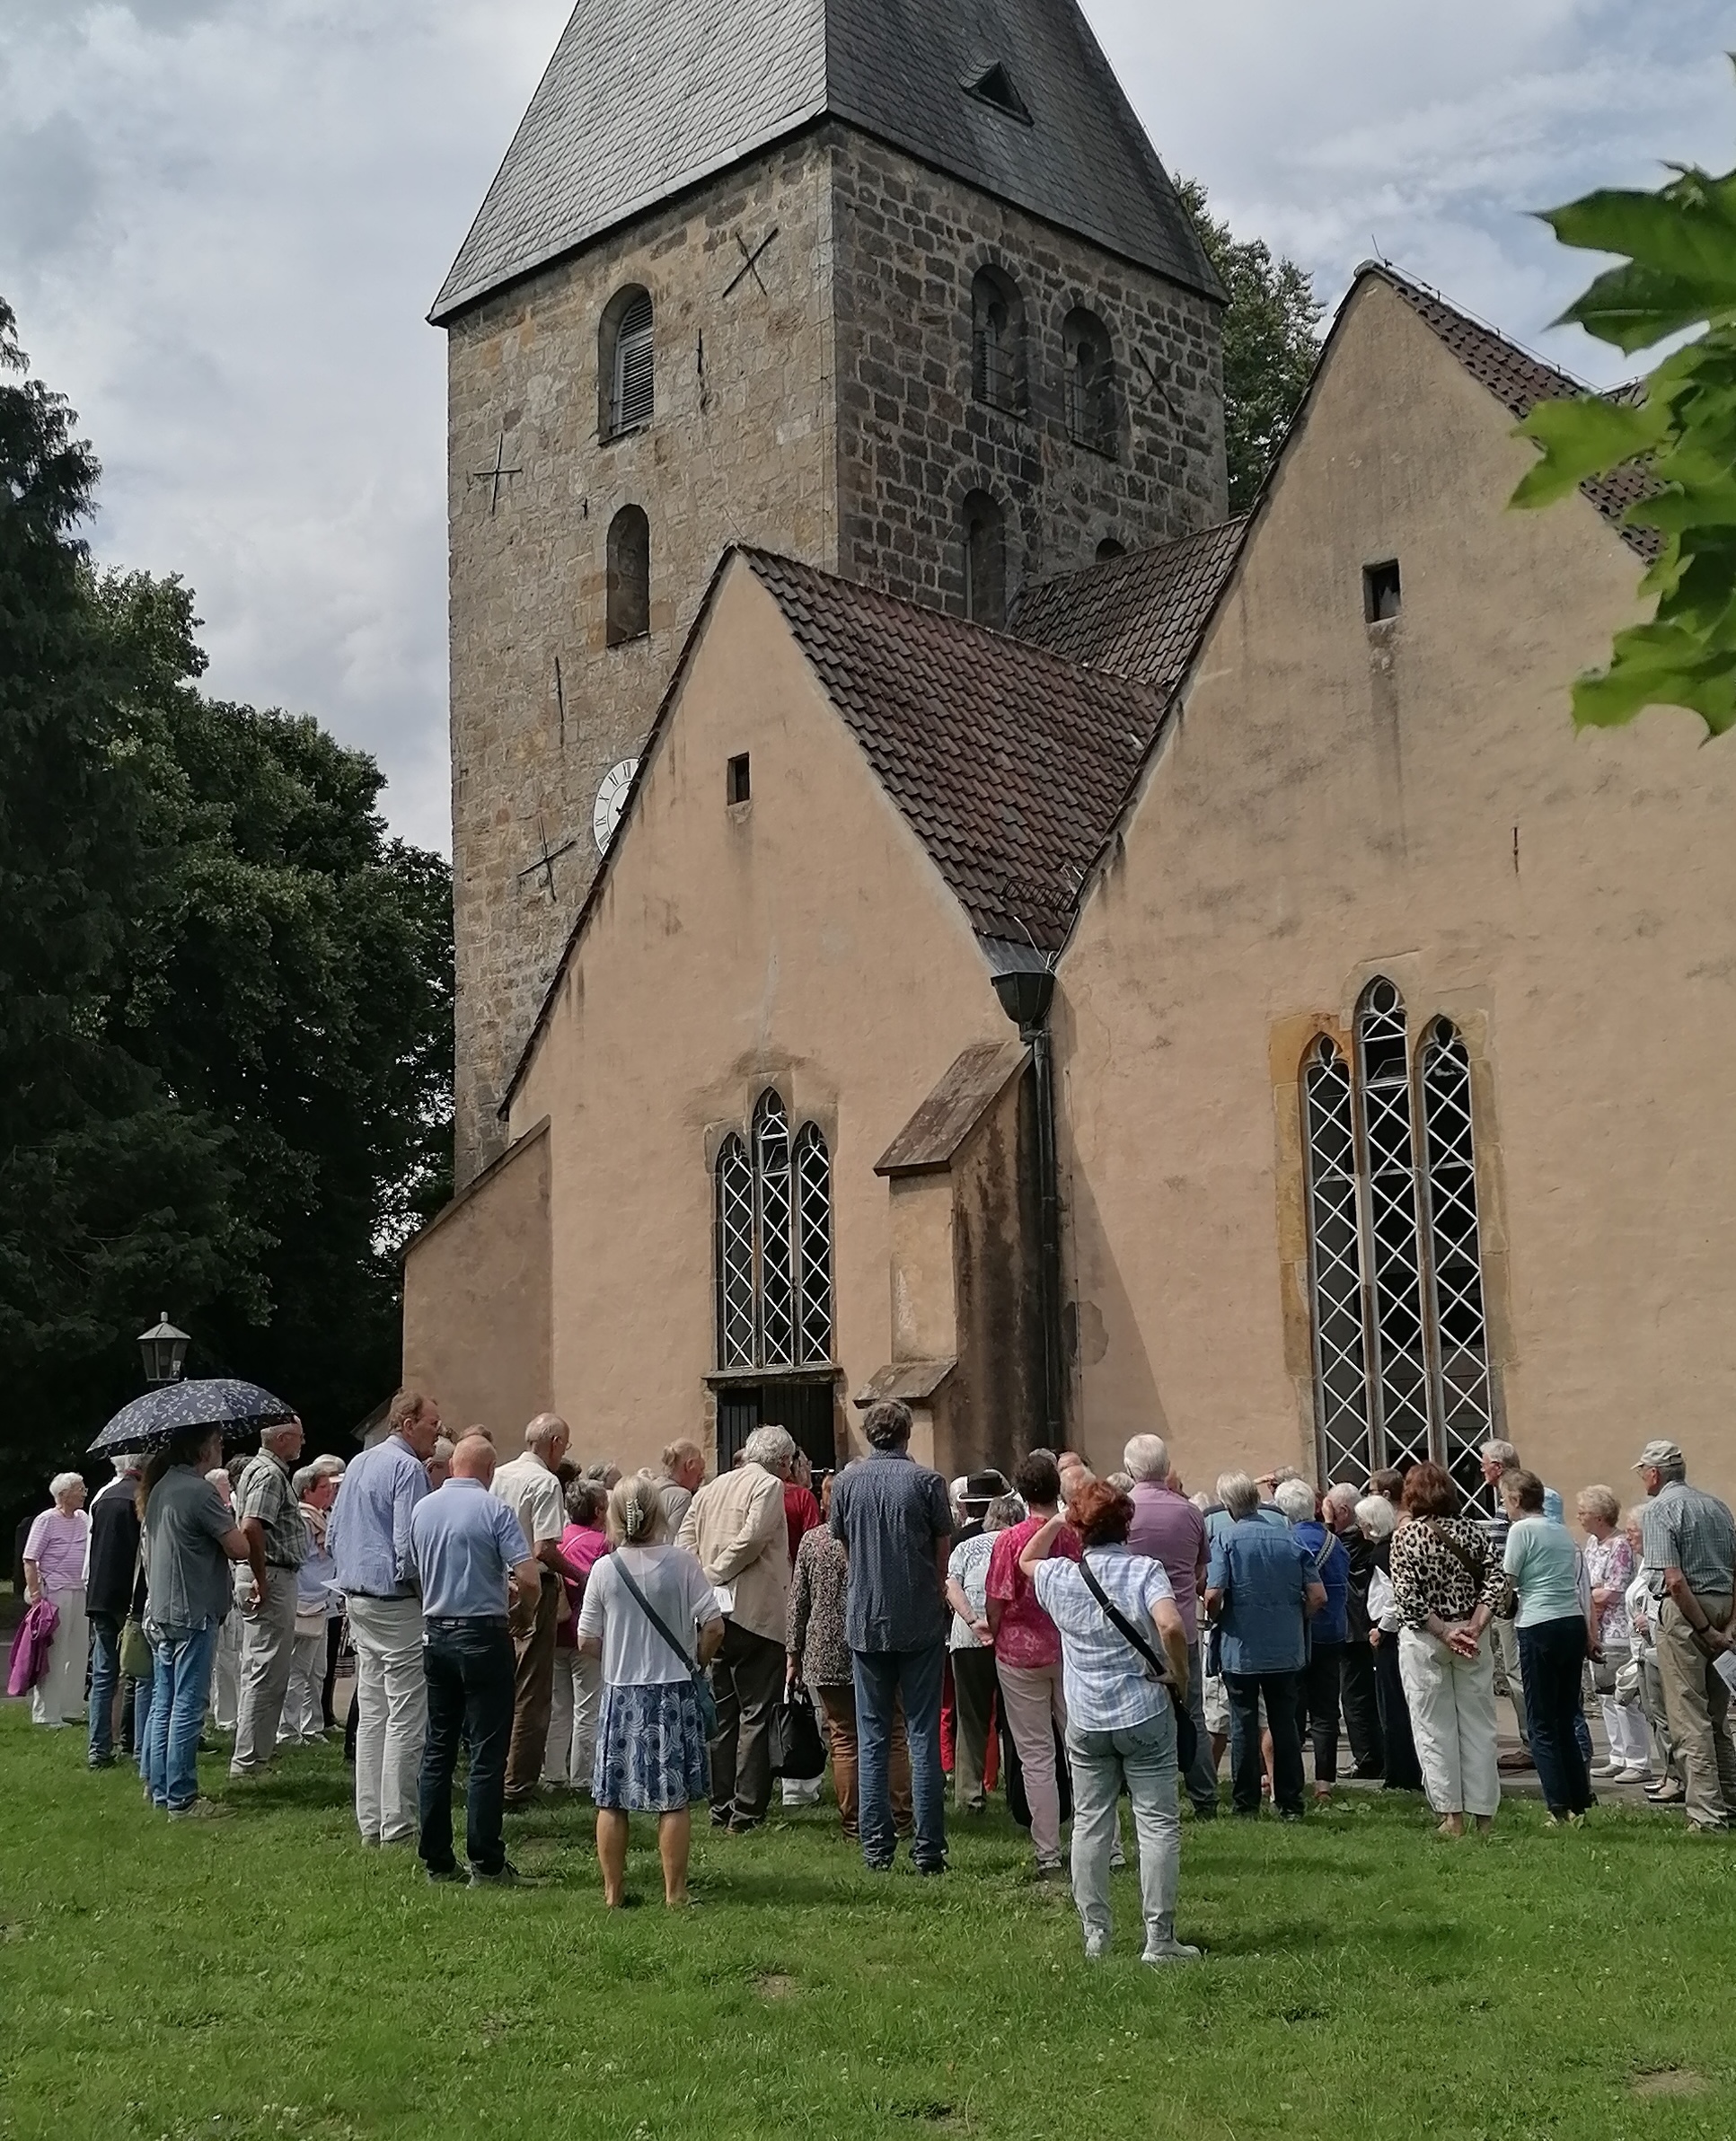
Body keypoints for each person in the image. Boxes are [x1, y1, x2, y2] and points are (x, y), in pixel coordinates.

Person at [1021, 1479, 1198, 1964]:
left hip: (1087, 1717)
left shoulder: (1061, 1576)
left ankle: (1095, 1933)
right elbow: (1171, 1624)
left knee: (1089, 1823)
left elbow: (1025, 1561)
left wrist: (1061, 1516)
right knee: (1157, 1824)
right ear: (1127, 1524)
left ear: (1079, 1529)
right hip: (1143, 1709)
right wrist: (1176, 1674)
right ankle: (1159, 1939)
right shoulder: (1145, 1571)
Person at [579, 1469, 725, 1908]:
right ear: (657, 1512)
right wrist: (695, 1661)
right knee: (673, 1798)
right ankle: (675, 1893)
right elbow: (714, 1626)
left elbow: (586, 1639)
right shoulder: (681, 1564)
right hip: (672, 1692)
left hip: (622, 1691)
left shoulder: (605, 1569)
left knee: (612, 1798)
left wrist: (614, 1655)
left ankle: (612, 1892)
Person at [409, 1432, 542, 1884]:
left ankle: (437, 1859)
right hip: (483, 1633)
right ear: (488, 1471)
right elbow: (529, 1578)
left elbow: (411, 1570)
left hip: (436, 1631)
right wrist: (521, 1614)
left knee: (438, 1747)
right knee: (487, 1751)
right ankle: (485, 1859)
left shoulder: (423, 1509)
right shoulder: (494, 1509)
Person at [828, 1398, 954, 1874]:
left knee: (873, 1734)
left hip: (865, 1616)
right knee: (920, 1733)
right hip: (918, 1616)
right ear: (906, 1434)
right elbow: (943, 1553)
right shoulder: (926, 1482)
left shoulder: (847, 1483)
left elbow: (843, 1544)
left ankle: (876, 1848)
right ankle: (927, 1851)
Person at [328, 1387, 440, 1846]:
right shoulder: (407, 1467)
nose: (438, 1431)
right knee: (406, 1714)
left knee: (373, 1711)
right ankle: (398, 1824)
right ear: (407, 1424)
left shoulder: (359, 1462)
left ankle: (370, 1820)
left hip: (358, 1597)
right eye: (433, 1424)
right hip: (395, 1602)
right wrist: (427, 1595)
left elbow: (335, 1532)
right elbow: (407, 1546)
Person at [678, 1424, 793, 1833]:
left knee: (725, 1713)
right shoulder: (769, 1486)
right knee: (756, 1712)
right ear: (782, 1461)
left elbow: (685, 1540)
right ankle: (745, 1810)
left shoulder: (712, 1487)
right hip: (754, 1612)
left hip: (714, 1614)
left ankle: (721, 1803)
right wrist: (715, 1574)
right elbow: (753, 1537)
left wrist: (699, 1582)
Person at [789, 1474, 914, 1840]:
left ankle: (854, 1822)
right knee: (892, 1731)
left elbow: (799, 1601)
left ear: (827, 1502)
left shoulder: (813, 1542)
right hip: (877, 1639)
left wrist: (792, 1651)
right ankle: (900, 1817)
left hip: (826, 1649)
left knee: (844, 1737)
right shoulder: (877, 1537)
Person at [137, 1427, 253, 1817]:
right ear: (202, 1449)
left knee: (163, 1702)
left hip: (163, 1610)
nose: (223, 1448)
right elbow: (239, 1547)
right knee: (188, 1704)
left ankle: (158, 1788)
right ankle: (182, 1798)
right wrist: (237, 1523)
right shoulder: (200, 1492)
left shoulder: (160, 1489)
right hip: (193, 1610)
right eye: (219, 1442)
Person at [1390, 1460, 1504, 1836]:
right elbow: (1496, 1582)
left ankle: (1451, 1816)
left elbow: (1407, 1597)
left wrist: (1444, 1632)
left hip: (1427, 1638)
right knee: (1479, 1724)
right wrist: (1474, 1625)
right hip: (1473, 1634)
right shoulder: (1473, 1531)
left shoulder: (1406, 1536)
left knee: (1433, 1726)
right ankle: (1484, 1815)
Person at [1203, 1472, 1323, 1820]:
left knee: (1243, 1723)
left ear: (1228, 1505)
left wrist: (1218, 1616)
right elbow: (1318, 1596)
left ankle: (1245, 1802)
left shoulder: (1225, 1540)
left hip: (1241, 1647)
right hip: (1286, 1648)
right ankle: (1290, 1802)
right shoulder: (1290, 1540)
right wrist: (1295, 1616)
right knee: (1286, 1723)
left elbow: (1213, 1594)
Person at [1635, 1438, 1736, 1832]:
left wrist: (1705, 1628)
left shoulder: (1659, 1510)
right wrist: (1726, 1626)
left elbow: (1673, 1580)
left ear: (1655, 1474)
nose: (1643, 1477)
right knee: (1716, 1715)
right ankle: (1729, 1796)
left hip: (1687, 1612)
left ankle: (1707, 1815)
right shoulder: (1717, 1506)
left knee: (1688, 1716)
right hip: (1723, 1603)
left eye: (1644, 1471)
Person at [987, 1449, 1079, 1872]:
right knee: (1081, 1748)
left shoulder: (1009, 1541)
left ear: (1021, 1493)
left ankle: (1048, 1851)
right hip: (1068, 1647)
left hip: (1019, 1653)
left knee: (1036, 1755)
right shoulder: (1073, 1535)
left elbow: (996, 1600)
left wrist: (995, 1628)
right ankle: (1108, 1844)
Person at [491, 1413, 587, 1811]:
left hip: (498, 1582)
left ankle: (496, 1773)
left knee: (503, 1684)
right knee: (533, 1691)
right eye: (564, 1445)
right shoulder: (545, 1482)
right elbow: (545, 1548)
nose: (564, 1452)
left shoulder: (499, 1475)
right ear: (552, 1443)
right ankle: (517, 1786)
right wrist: (580, 1574)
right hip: (534, 1584)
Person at [1124, 1434, 1218, 1819]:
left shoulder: (1123, 1510)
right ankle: (1205, 1796)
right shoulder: (1190, 1512)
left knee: (1136, 1713)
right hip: (1182, 1625)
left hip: (1134, 1629)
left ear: (1131, 1469)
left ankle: (1147, 1794)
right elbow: (1199, 1569)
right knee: (1191, 1712)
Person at [1500, 1468, 1594, 1825]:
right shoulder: (1561, 1531)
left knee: (1540, 1720)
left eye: (1506, 1499)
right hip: (1570, 1620)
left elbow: (1508, 1580)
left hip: (1538, 1622)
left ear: (1517, 1500)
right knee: (1566, 1714)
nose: (1504, 1506)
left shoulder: (1521, 1530)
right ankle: (1579, 1798)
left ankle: (1558, 1806)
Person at [228, 1416, 309, 1777]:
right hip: (271, 1574)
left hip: (269, 1573)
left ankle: (255, 1754)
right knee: (266, 1671)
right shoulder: (269, 1473)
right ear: (283, 1439)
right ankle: (248, 1762)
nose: (302, 1444)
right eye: (299, 1438)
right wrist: (261, 1577)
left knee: (263, 1668)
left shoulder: (264, 1470)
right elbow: (251, 1525)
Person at [1277, 1477, 1351, 1802]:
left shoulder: (1287, 1543)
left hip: (1298, 1634)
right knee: (1326, 1711)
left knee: (1292, 1709)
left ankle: (1291, 1777)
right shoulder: (1335, 1543)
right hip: (1333, 1633)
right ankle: (1325, 1782)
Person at [943, 1493, 1014, 1814]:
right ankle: (1022, 1793)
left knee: (970, 1719)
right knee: (1017, 1721)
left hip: (967, 1638)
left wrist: (973, 1620)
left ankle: (969, 1799)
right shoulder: (1019, 1543)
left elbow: (950, 1586)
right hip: (1011, 1637)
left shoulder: (964, 1547)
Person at [1577, 1485, 1647, 1783]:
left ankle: (1638, 1759)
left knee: (1623, 1696)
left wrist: (1589, 1596)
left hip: (1616, 1629)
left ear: (1599, 1516)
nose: (1579, 1518)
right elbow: (1588, 1586)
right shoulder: (1593, 1543)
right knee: (1605, 1697)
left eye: (1583, 1513)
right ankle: (1618, 1755)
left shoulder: (1619, 1546)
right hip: (1596, 1628)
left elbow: (1613, 1591)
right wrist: (1591, 1596)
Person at [545, 1477, 610, 1793]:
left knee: (558, 1706)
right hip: (586, 1633)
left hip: (556, 1629)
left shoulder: (559, 1538)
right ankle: (583, 1775)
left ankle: (554, 1772)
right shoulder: (601, 1544)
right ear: (599, 1510)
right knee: (587, 1706)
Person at [1477, 1438, 1533, 1771]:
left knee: (1516, 1672)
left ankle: (1531, 1744)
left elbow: (1505, 1554)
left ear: (1497, 1467)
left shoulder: (1512, 1499)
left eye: (1484, 1463)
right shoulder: (1508, 1498)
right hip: (1510, 1598)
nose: (1481, 1468)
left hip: (1512, 1599)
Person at [1360, 1495, 1423, 1792]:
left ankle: (1401, 1772)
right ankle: (1403, 1768)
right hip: (1393, 1632)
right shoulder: (1391, 1548)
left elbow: (1393, 1597)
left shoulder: (1383, 1553)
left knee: (1393, 1705)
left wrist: (1381, 1629)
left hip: (1390, 1635)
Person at [85, 1457, 145, 1767]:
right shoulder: (140, 1497)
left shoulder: (103, 1497)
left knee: (103, 1675)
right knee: (138, 1672)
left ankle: (99, 1749)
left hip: (99, 1594)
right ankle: (134, 1743)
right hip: (129, 1595)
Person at [1623, 1506, 1684, 1803]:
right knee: (1653, 1714)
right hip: (1643, 1650)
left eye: (1632, 1531)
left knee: (1665, 1716)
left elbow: (1665, 1598)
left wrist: (1651, 1619)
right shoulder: (1643, 1562)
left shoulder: (1660, 1563)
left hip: (1658, 1647)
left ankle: (1677, 1777)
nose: (1628, 1537)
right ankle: (1668, 1773)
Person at [22, 1472, 91, 1730]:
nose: (84, 1493)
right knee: (55, 1652)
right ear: (63, 1495)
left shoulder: (84, 1518)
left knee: (79, 1650)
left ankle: (71, 1707)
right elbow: (30, 1559)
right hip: (55, 1592)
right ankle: (46, 1713)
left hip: (80, 1589)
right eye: (79, 1489)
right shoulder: (46, 1520)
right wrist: (37, 1596)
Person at [1326, 1482, 1384, 1779]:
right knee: (1368, 1695)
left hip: (1353, 1626)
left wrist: (1326, 1524)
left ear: (1343, 1512)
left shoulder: (1343, 1542)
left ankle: (1367, 1758)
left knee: (1355, 1696)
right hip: (1366, 1624)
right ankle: (1375, 1753)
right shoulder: (1364, 1542)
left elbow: (1325, 1559)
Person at [282, 1460, 343, 1745]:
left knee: (317, 1670)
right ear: (307, 1492)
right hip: (303, 1601)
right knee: (297, 1670)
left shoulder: (322, 1517)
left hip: (323, 1601)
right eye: (323, 1489)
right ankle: (288, 1729)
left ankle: (312, 1725)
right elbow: (301, 1562)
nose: (329, 1494)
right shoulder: (303, 1520)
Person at [779, 1449, 827, 1807]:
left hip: (757, 1600)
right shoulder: (799, 1497)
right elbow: (815, 1545)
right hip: (800, 1592)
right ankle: (802, 1781)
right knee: (808, 1696)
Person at [657, 1440, 707, 1535]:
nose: (702, 1476)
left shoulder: (650, 1486)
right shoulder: (682, 1497)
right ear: (689, 1465)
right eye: (701, 1469)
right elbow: (677, 1541)